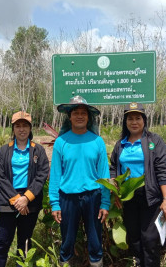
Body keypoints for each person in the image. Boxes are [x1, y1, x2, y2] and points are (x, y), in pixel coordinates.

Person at [49, 95, 110, 267]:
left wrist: (105, 202)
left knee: (95, 240)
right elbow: (55, 175)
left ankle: (96, 263)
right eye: (76, 112)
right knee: (67, 239)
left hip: (93, 197)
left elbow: (104, 175)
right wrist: (55, 203)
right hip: (68, 198)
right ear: (70, 117)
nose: (80, 116)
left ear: (88, 117)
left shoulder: (98, 141)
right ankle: (65, 263)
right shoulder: (61, 142)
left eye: (83, 112)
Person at [110, 103, 166, 267]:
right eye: (130, 118)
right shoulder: (120, 144)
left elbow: (162, 170)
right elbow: (113, 169)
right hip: (129, 198)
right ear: (125, 122)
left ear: (144, 120)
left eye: (138, 118)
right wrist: (115, 191)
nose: (134, 122)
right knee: (135, 239)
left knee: (150, 240)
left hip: (150, 197)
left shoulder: (154, 141)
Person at [0, 111, 49, 266]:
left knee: (24, 241)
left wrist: (26, 198)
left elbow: (42, 174)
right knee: (3, 241)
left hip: (30, 201)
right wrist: (17, 199)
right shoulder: (4, 151)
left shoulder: (38, 150)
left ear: (30, 128)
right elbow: (1, 177)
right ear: (13, 128)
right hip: (7, 200)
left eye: (25, 126)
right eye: (18, 126)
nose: (21, 129)